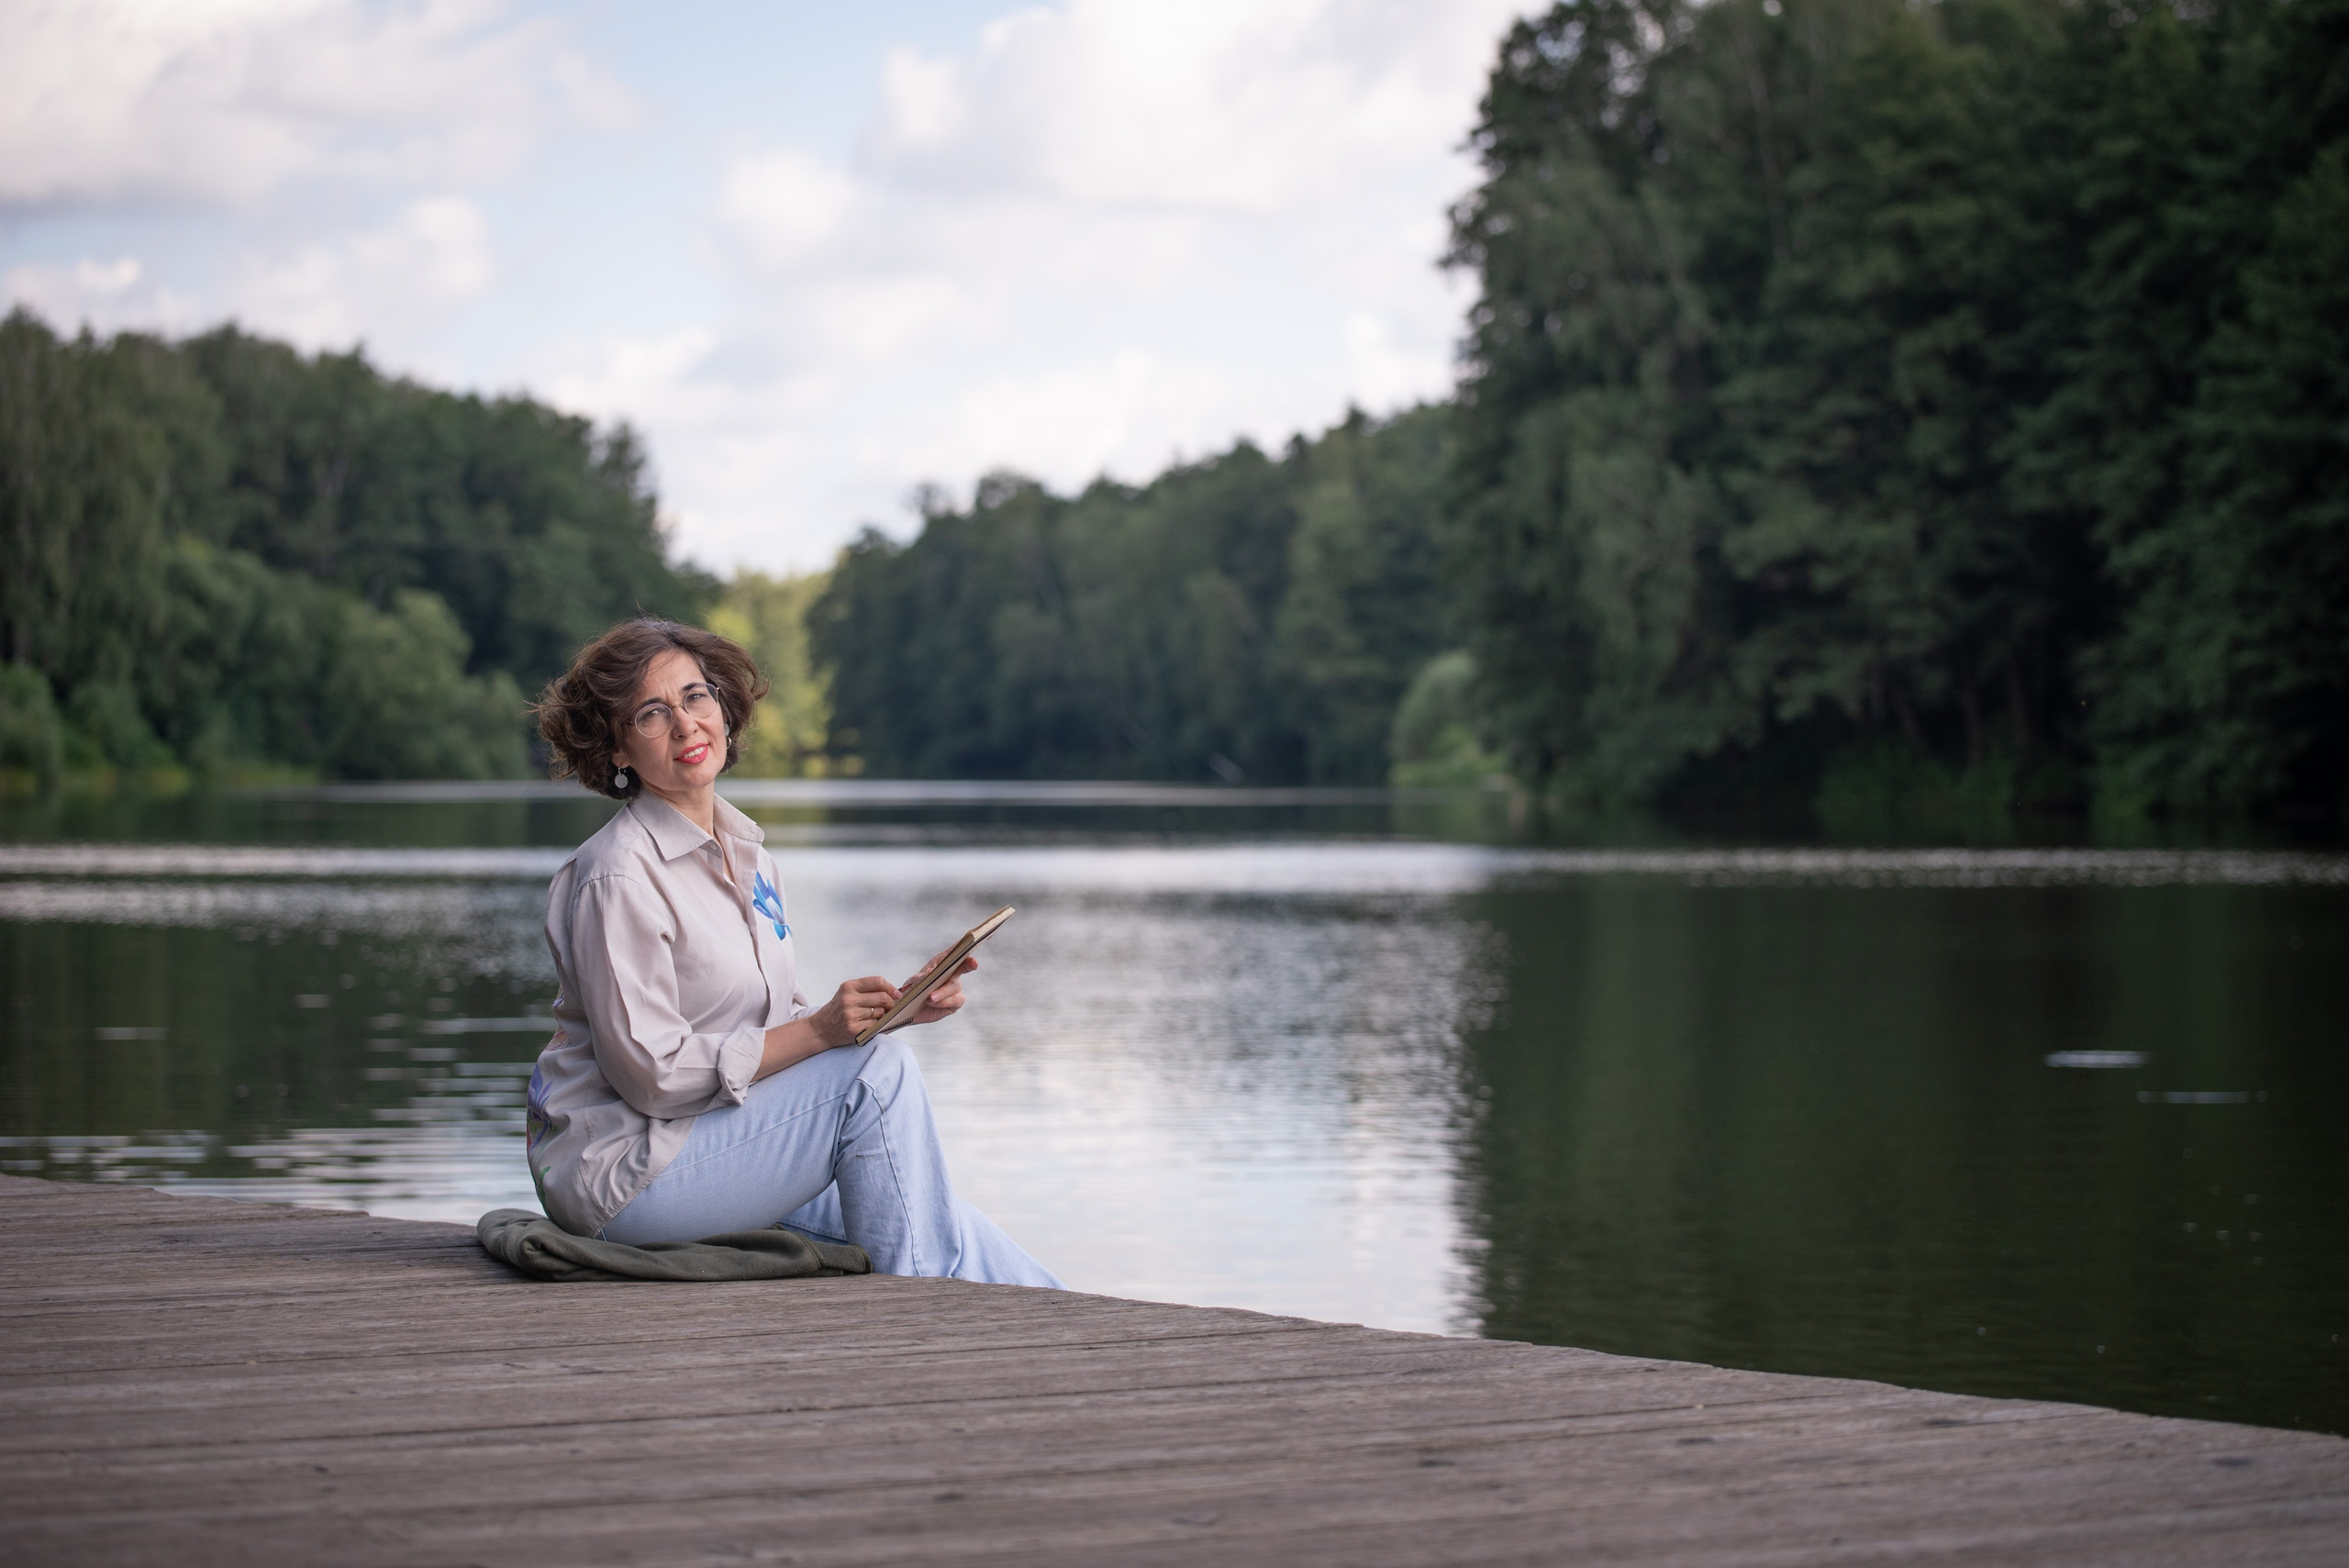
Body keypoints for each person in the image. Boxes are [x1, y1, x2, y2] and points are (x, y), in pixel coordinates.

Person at [522, 617, 1062, 1287]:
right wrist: (822, 1034)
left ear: (721, 707)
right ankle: (924, 1322)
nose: (687, 724)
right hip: (626, 1176)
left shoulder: (748, 855)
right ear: (619, 749)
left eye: (695, 696)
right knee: (876, 1076)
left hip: (714, 1141)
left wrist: (881, 1013)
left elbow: (768, 1023)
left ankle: (1091, 1338)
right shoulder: (619, 876)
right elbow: (652, 1076)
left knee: (942, 1215)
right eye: (652, 714)